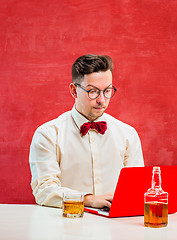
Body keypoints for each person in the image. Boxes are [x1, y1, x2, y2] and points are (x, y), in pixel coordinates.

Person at [29, 54, 144, 209]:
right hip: (65, 224)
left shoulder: (128, 134)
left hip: (116, 227)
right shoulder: (48, 134)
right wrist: (88, 200)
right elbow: (44, 190)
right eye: (93, 91)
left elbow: (135, 189)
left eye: (107, 91)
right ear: (74, 91)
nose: (102, 100)